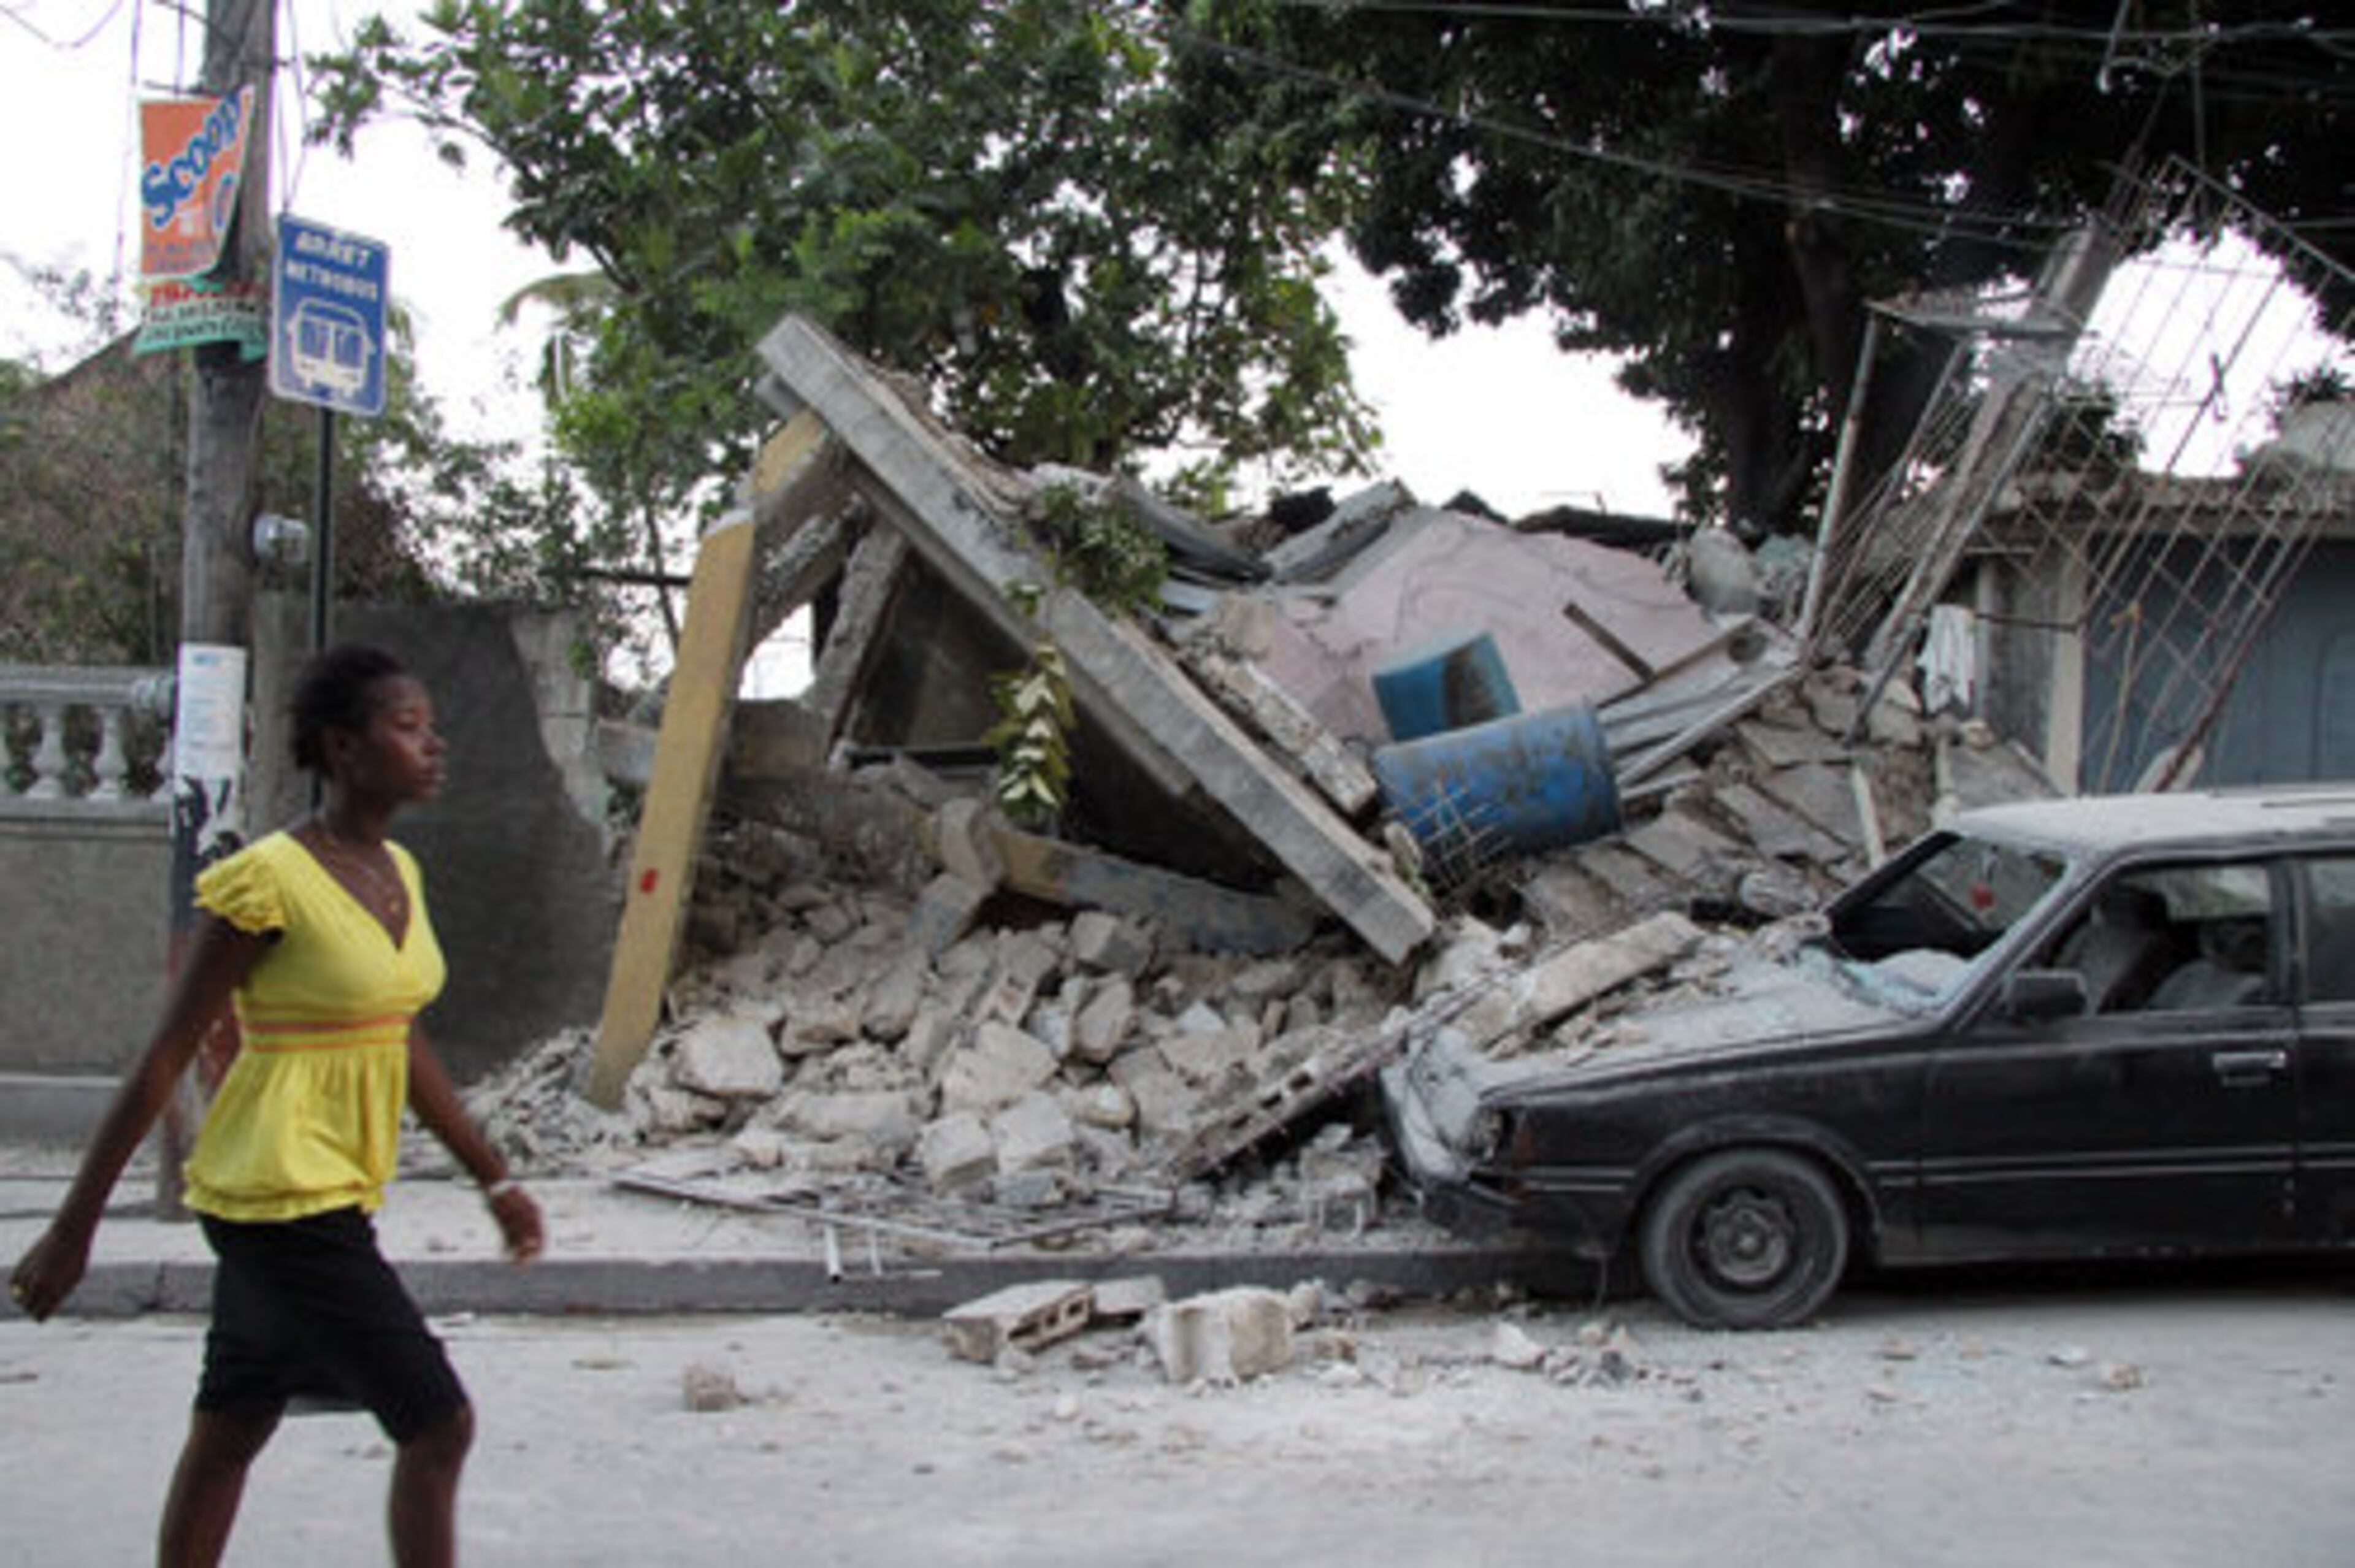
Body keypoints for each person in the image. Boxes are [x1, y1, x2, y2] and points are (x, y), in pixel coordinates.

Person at [9, 643, 544, 1568]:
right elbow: (164, 1055)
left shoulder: (398, 874)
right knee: (439, 1420)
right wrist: (73, 1228)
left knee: (232, 1425)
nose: (435, 745)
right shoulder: (271, 881)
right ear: (343, 748)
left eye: (431, 726)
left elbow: (400, 1037)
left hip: (324, 1187)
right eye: (408, 727)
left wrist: (493, 1176)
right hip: (283, 1195)